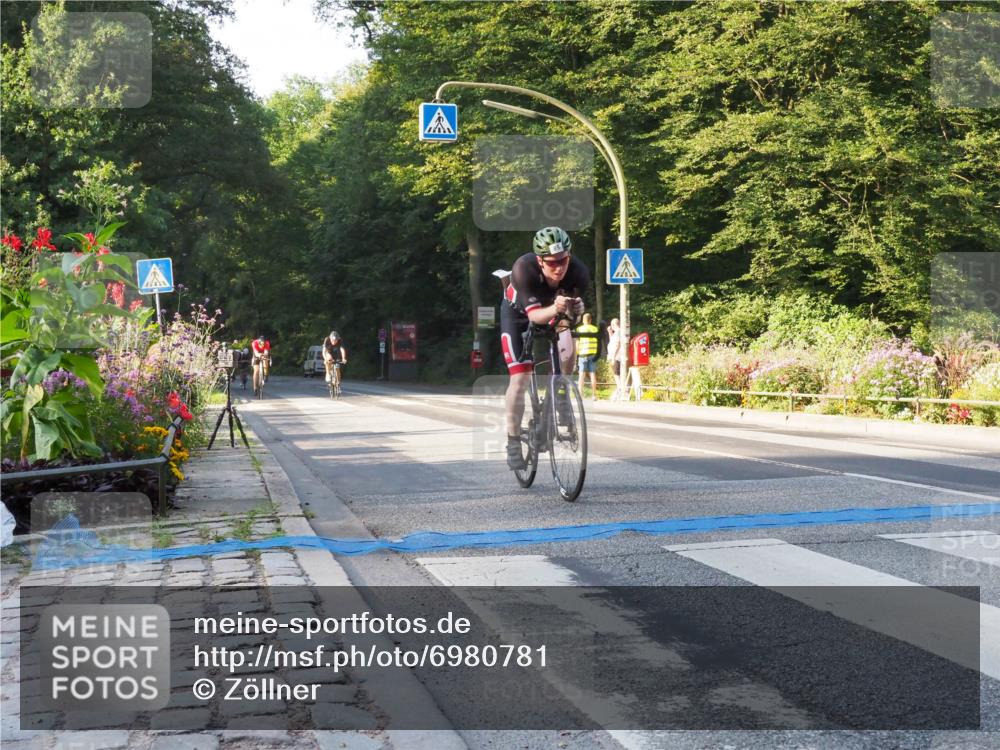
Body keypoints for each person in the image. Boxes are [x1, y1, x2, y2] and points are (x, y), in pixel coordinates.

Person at [500, 226, 589, 470]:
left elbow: (569, 320)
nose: (559, 267)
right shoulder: (524, 269)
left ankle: (560, 395)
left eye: (563, 260)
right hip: (518, 315)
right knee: (520, 378)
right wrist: (559, 308)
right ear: (540, 261)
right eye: (551, 263)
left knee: (568, 348)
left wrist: (576, 312)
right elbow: (537, 316)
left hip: (553, 312)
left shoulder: (578, 272)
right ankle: (513, 440)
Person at [575, 313, 599, 401]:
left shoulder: (579, 329)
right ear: (590, 320)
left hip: (582, 354)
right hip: (592, 354)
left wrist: (577, 354)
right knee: (592, 374)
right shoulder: (595, 329)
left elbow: (577, 343)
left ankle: (580, 395)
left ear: (583, 320)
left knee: (581, 374)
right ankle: (594, 395)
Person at [606, 318, 623, 397]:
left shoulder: (619, 332)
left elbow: (617, 345)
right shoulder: (617, 333)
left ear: (613, 325)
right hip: (615, 356)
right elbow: (612, 341)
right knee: (616, 373)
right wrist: (610, 333)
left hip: (616, 357)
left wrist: (613, 357)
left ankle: (620, 389)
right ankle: (619, 388)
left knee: (616, 374)